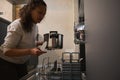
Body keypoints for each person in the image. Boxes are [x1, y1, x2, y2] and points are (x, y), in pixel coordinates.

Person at [0, 0, 47, 80]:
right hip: (6, 63)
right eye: (39, 12)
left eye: (43, 14)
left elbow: (25, 42)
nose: (42, 16)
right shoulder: (17, 25)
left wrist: (38, 43)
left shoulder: (35, 26)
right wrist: (30, 51)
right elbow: (7, 51)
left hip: (21, 63)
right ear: (30, 10)